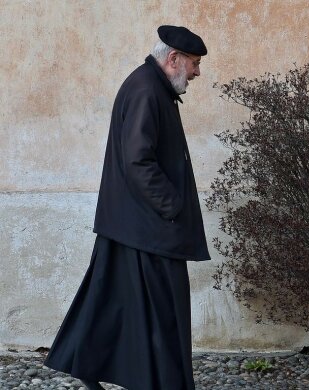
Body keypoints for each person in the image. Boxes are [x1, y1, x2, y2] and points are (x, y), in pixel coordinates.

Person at [44, 25, 211, 390]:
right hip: (147, 228)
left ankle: (88, 364)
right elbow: (138, 161)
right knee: (162, 313)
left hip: (132, 225)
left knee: (112, 303)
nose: (197, 72)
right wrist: (172, 206)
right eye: (195, 64)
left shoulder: (149, 86)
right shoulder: (147, 90)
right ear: (173, 59)